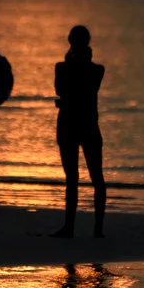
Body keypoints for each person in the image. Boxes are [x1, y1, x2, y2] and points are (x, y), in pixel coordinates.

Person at [50, 25, 106, 238]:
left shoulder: (67, 68)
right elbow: (69, 91)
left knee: (76, 178)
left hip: (73, 125)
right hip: (83, 126)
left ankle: (73, 227)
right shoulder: (91, 69)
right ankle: (95, 229)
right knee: (93, 178)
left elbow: (66, 92)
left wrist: (66, 101)